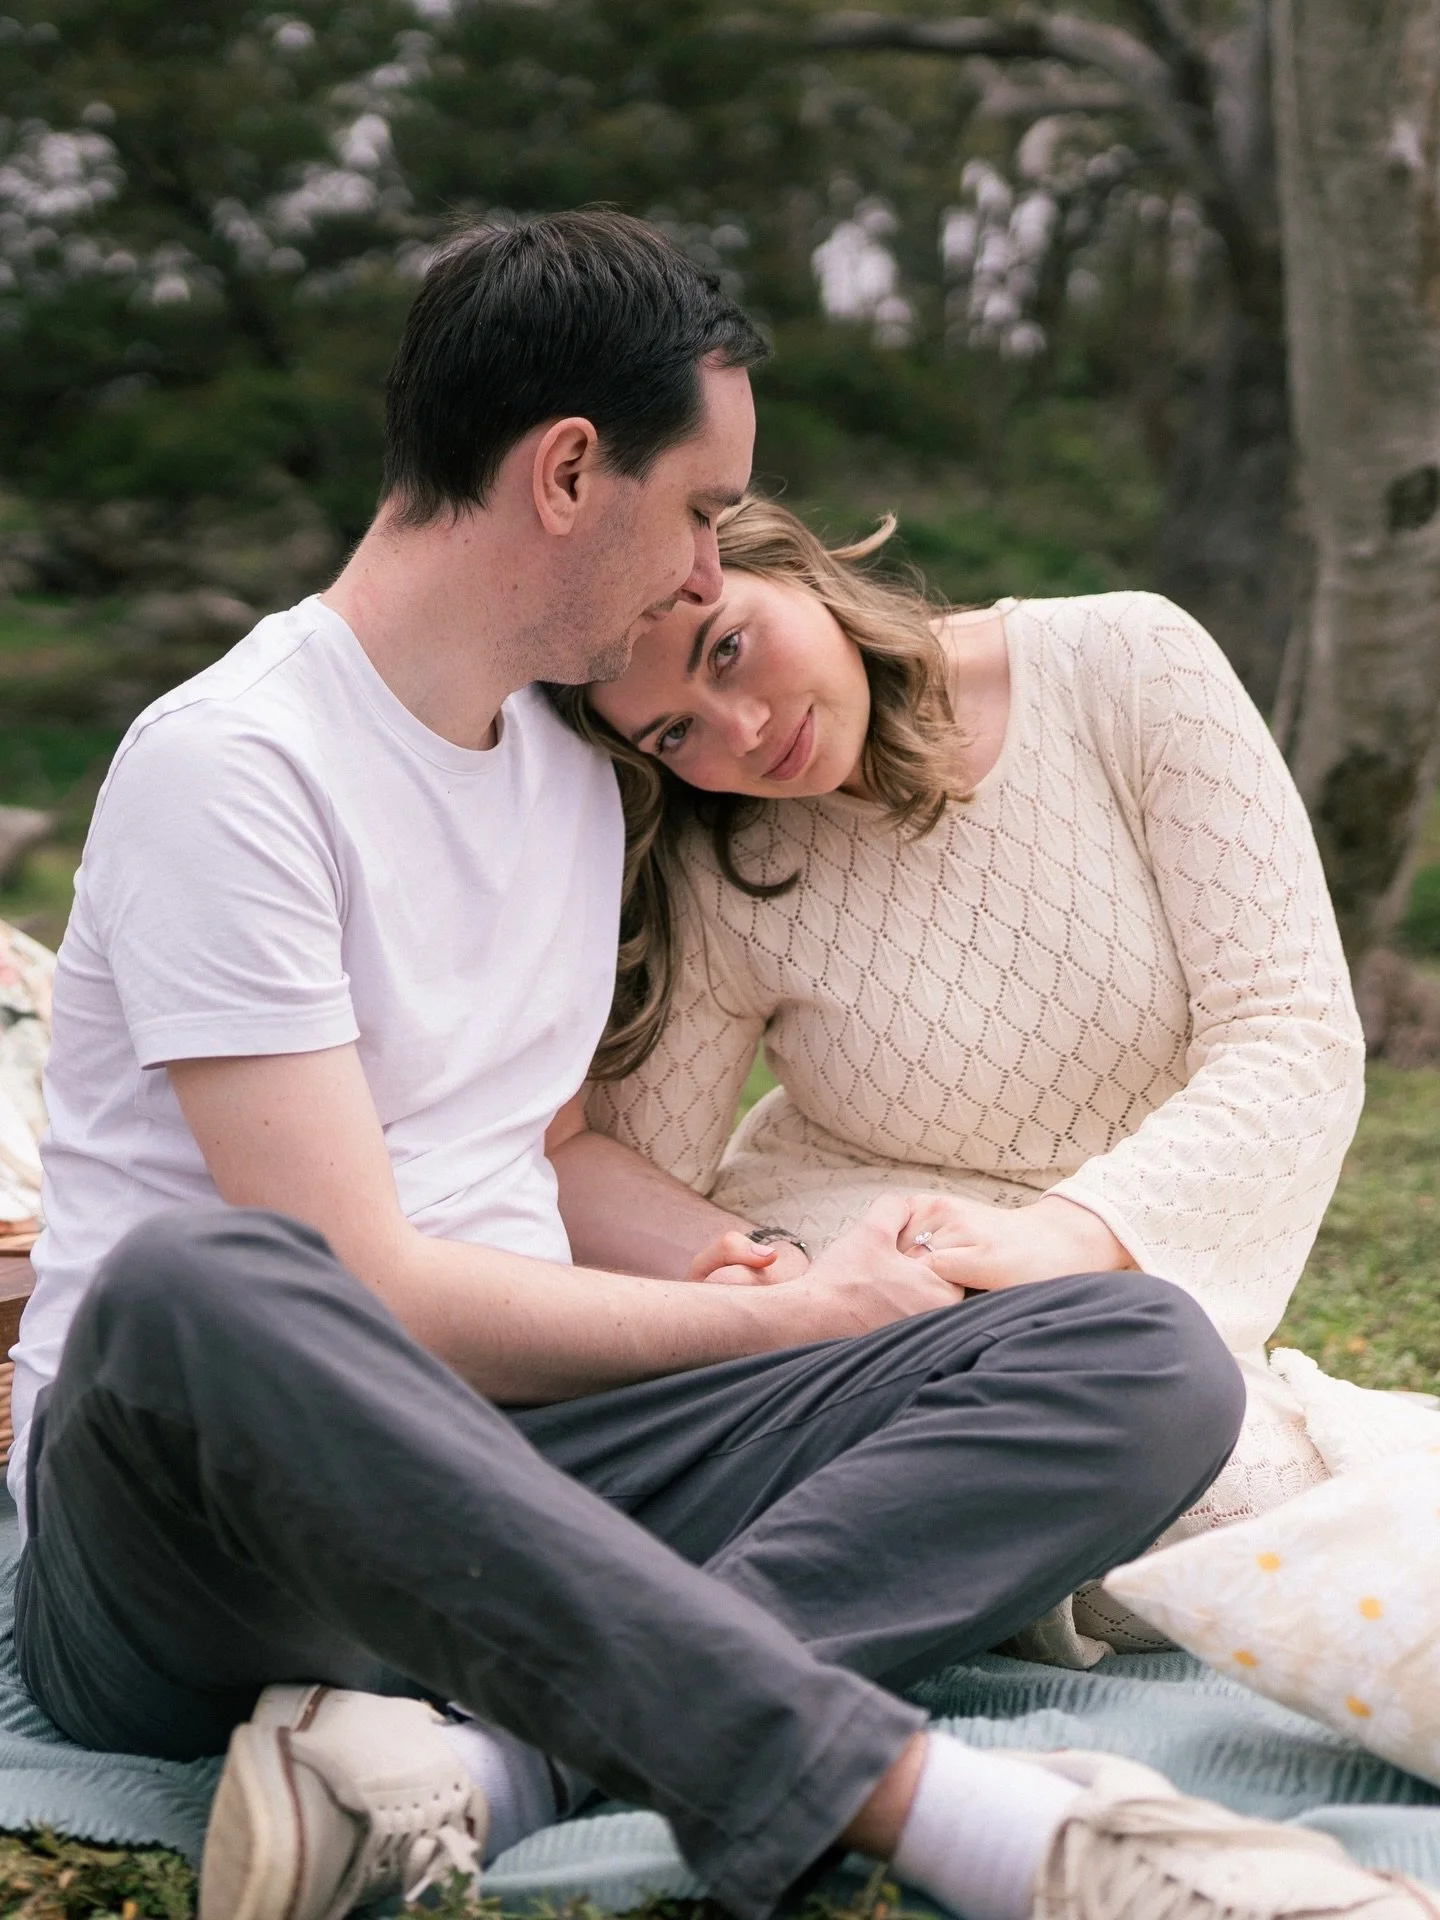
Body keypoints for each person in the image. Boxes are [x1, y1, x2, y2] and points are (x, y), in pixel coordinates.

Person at [8, 212, 1419, 1920]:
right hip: (213, 1523)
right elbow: (369, 1290)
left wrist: (799, 1292)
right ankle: (965, 1822)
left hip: (529, 1477)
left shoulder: (571, 777)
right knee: (201, 1284)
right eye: (696, 510)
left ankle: (506, 1760)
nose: (707, 567)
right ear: (566, 472)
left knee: (1139, 1351)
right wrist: (777, 1319)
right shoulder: (233, 769)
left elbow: (549, 1154)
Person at [553, 494, 1369, 1639]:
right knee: (1167, 1518)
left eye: (727, 648)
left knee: (1264, 1512)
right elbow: (619, 1166)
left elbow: (1292, 1034)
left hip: (1120, 1271)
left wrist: (1068, 1239)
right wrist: (795, 1287)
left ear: (790, 564)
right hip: (870, 1269)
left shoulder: (1127, 664)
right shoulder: (714, 852)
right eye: (673, 735)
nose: (740, 730)